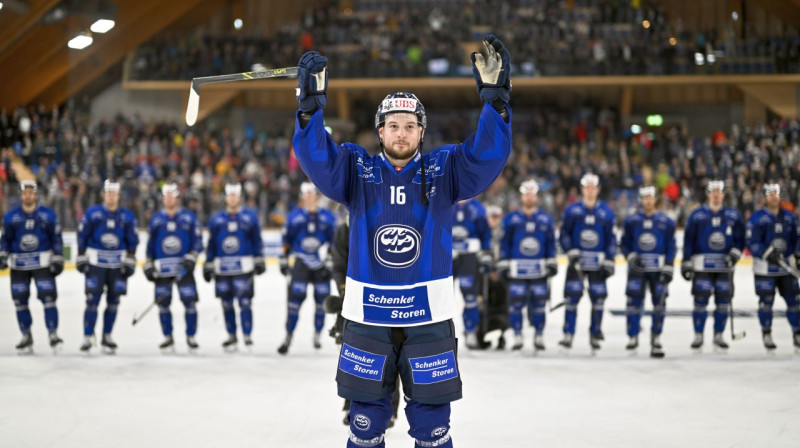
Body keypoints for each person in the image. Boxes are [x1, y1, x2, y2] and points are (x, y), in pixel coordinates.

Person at [292, 33, 511, 448]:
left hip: (428, 319)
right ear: (380, 130)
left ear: (421, 132)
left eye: (410, 126)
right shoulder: (356, 168)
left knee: (432, 426)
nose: (401, 133)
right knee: (365, 423)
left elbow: (486, 157)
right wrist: (308, 110)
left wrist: (495, 102)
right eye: (393, 125)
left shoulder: (445, 168)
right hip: (368, 317)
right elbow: (317, 159)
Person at [0, 181, 65, 353]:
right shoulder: (11, 217)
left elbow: (56, 238)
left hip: (42, 264)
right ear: (21, 195)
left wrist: (58, 257)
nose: (28, 195)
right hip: (19, 266)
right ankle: (26, 334)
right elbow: (5, 240)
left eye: (31, 192)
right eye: (25, 192)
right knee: (20, 301)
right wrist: (3, 254)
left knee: (48, 299)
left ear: (36, 195)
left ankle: (53, 333)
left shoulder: (47, 215)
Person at [681, 180, 745, 350]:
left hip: (724, 267)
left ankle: (719, 335)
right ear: (708, 194)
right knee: (700, 301)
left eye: (719, 191)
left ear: (724, 194)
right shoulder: (697, 215)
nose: (716, 195)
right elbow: (689, 240)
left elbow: (740, 239)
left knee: (723, 302)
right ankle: (698, 335)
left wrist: (734, 254)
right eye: (713, 191)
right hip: (702, 266)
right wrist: (686, 262)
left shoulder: (733, 215)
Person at [76, 179, 139, 353]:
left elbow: (132, 240)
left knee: (113, 302)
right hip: (96, 264)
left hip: (117, 266)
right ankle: (88, 336)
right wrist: (81, 255)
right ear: (103, 195)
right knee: (92, 301)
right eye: (108, 193)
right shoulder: (92, 214)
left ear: (119, 196)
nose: (111, 197)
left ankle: (107, 335)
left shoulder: (127, 216)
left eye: (114, 194)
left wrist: (131, 258)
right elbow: (82, 235)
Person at [203, 183, 265, 350]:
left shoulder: (250, 218)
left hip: (244, 269)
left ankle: (247, 335)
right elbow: (211, 244)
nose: (232, 198)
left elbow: (257, 240)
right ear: (226, 197)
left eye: (235, 195)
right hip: (222, 269)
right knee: (226, 303)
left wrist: (259, 258)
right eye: (229, 195)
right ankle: (231, 335)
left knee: (245, 302)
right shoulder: (216, 220)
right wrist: (208, 262)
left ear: (240, 197)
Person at [277, 182, 336, 355]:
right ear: (303, 197)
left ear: (317, 196)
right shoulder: (294, 217)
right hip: (301, 263)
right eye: (306, 194)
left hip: (320, 265)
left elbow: (333, 242)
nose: (309, 198)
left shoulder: (327, 217)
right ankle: (288, 336)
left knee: (321, 303)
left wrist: (331, 260)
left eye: (312, 194)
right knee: (294, 302)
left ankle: (318, 334)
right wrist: (283, 259)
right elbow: (286, 240)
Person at [497, 179, 557, 351]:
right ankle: (517, 335)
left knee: (539, 304)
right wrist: (503, 262)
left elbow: (551, 243)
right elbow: (505, 243)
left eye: (532, 194)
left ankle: (539, 335)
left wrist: (552, 261)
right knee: (516, 303)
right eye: (527, 194)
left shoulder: (545, 219)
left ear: (537, 197)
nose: (530, 197)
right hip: (517, 270)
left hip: (539, 270)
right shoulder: (512, 219)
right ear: (522, 196)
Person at [558, 173, 616, 350]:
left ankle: (595, 333)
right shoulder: (572, 210)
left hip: (598, 264)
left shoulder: (606, 213)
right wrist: (570, 250)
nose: (590, 190)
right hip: (577, 263)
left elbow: (611, 239)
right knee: (571, 298)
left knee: (598, 299)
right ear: (582, 189)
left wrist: (610, 259)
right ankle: (568, 334)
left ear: (598, 189)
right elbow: (564, 234)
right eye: (587, 187)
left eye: (593, 187)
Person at [143, 183, 203, 350]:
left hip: (184, 270)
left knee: (190, 303)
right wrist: (148, 263)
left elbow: (197, 241)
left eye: (172, 195)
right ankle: (167, 336)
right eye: (166, 195)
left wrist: (192, 257)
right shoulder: (156, 219)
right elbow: (150, 244)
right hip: (162, 270)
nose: (168, 198)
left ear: (177, 197)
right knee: (163, 304)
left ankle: (191, 336)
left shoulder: (189, 217)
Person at [619, 186, 676, 358]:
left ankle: (656, 337)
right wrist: (630, 256)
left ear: (656, 199)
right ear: (640, 200)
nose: (648, 201)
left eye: (651, 197)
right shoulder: (631, 221)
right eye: (645, 198)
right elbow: (624, 243)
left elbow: (671, 245)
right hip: (637, 270)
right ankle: (633, 336)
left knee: (659, 303)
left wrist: (668, 264)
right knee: (633, 303)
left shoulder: (666, 221)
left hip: (658, 270)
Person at [745, 183, 800, 350]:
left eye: (776, 193)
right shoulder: (756, 218)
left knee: (794, 302)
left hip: (786, 269)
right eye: (770, 194)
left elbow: (797, 239)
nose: (773, 196)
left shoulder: (790, 217)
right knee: (766, 302)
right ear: (764, 197)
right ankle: (767, 332)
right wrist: (766, 253)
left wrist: (797, 254)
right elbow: (751, 242)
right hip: (764, 270)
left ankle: (797, 333)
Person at [451, 198, 492, 348]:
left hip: (469, 257)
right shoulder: (444, 201)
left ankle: (471, 331)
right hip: (446, 256)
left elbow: (485, 232)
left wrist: (486, 252)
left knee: (470, 295)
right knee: (441, 296)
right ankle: (439, 334)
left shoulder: (477, 208)